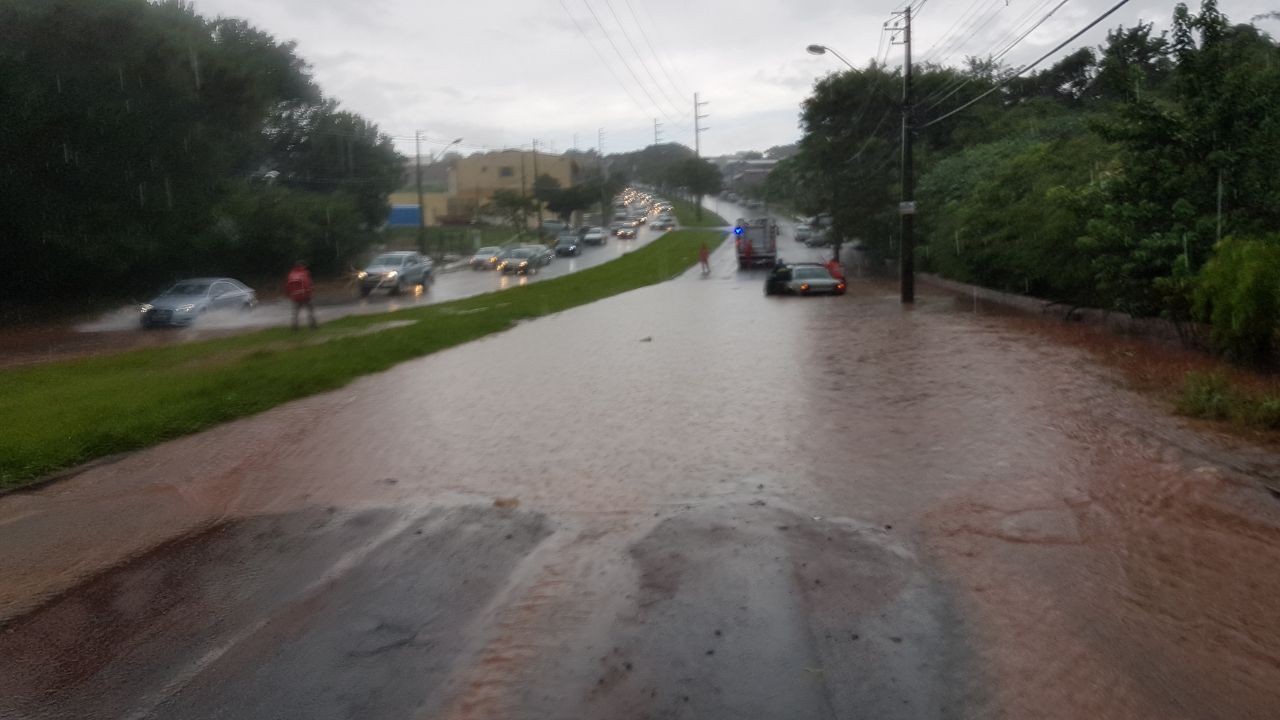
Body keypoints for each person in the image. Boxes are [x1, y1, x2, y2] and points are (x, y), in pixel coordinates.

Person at [286, 260, 317, 330]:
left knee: (295, 313)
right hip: (305, 296)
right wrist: (310, 292)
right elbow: (308, 284)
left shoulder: (291, 274)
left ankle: (294, 326)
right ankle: (313, 325)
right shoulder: (305, 273)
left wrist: (289, 295)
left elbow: (287, 286)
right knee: (310, 311)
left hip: (295, 297)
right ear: (302, 266)